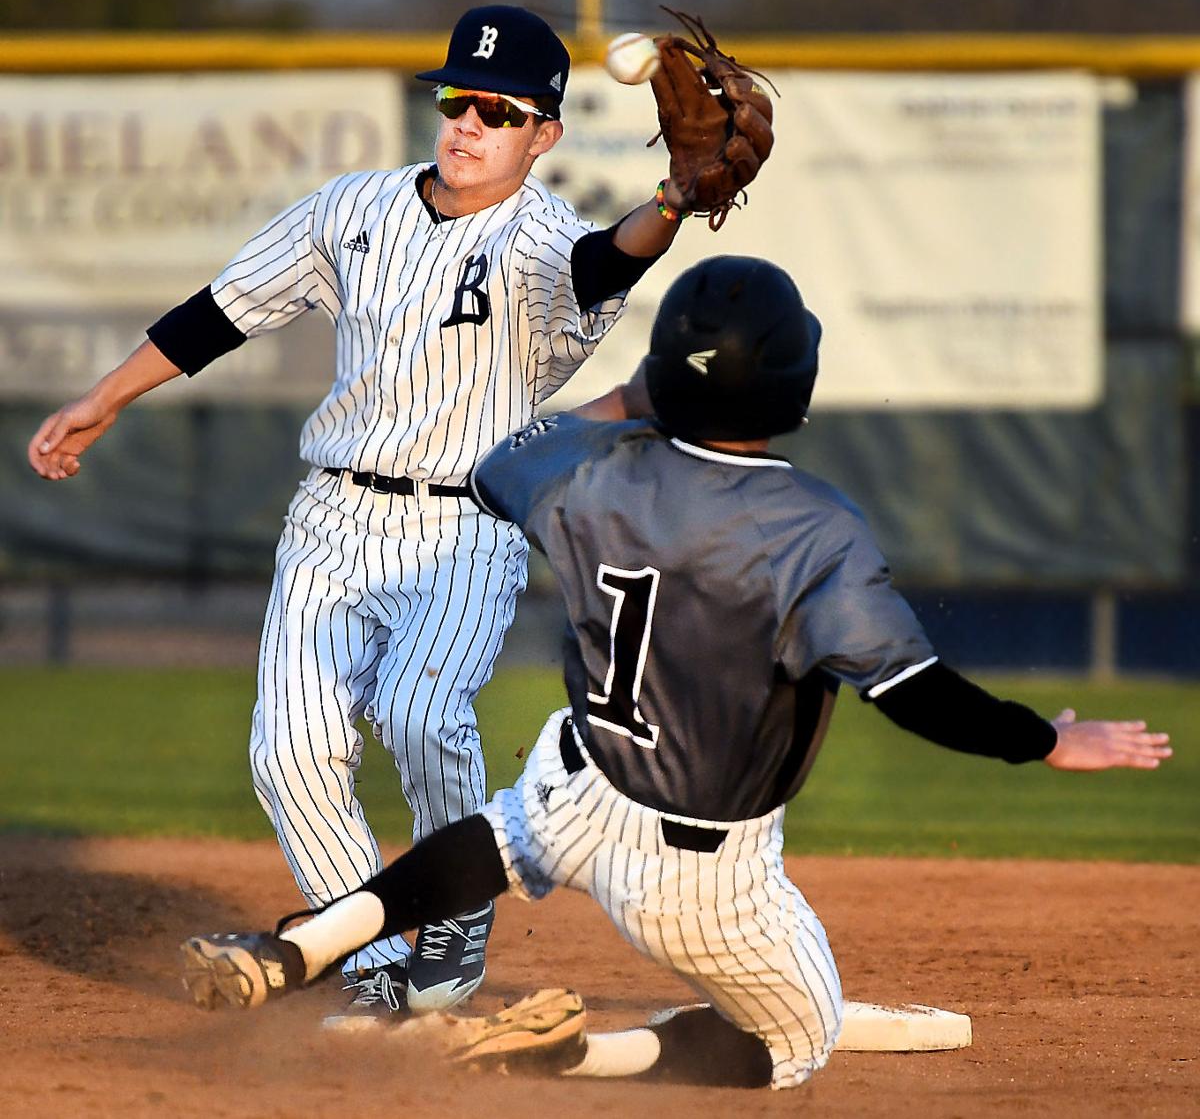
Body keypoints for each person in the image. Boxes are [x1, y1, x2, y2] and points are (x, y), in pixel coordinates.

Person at [178, 255, 1172, 1089]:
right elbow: (913, 692)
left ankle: (294, 949)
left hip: (583, 772)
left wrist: (636, 396)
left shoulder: (592, 473)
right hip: (698, 873)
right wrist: (1048, 737)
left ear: (664, 376)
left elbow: (497, 464)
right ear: (796, 384)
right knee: (794, 1040)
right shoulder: (815, 527)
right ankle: (557, 1056)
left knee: (505, 834)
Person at [26, 5, 697, 1021]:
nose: (467, 123)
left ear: (545, 134)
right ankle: (374, 950)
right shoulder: (355, 207)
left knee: (420, 711)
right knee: (286, 751)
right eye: (456, 100)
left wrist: (678, 197)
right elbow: (223, 308)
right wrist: (102, 400)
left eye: (498, 111)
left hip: (461, 528)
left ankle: (456, 914)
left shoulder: (539, 237)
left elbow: (605, 263)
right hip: (332, 522)